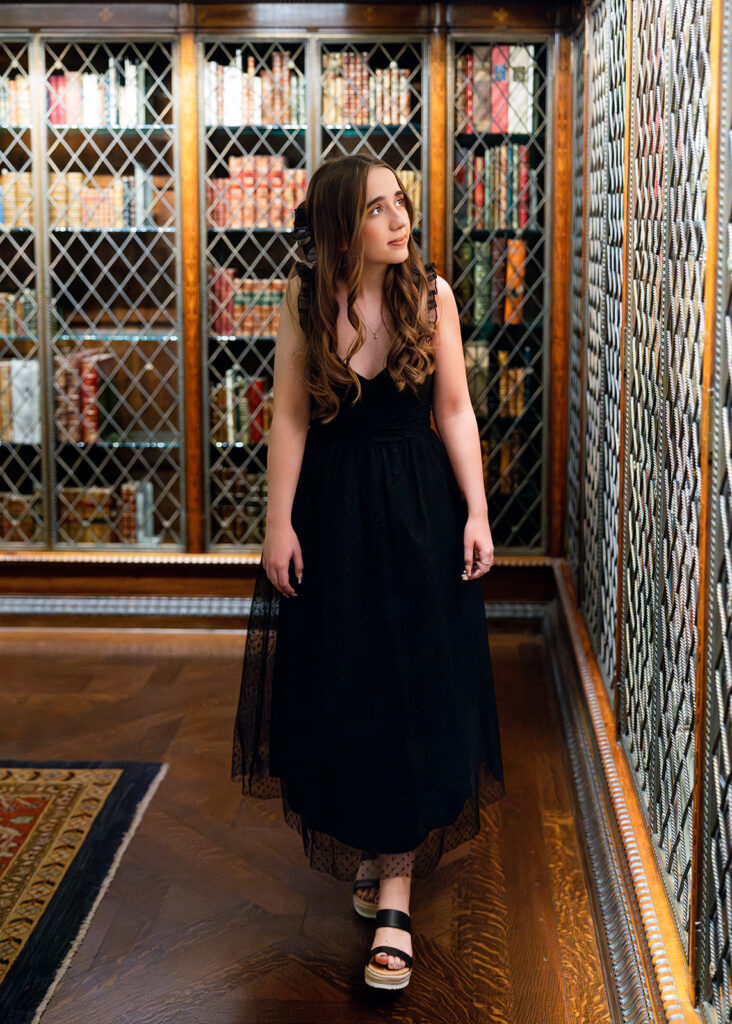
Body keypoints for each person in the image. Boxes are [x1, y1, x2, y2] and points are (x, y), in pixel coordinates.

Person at [232, 153, 505, 991]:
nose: (401, 220)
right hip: (334, 516)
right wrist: (277, 525)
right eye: (379, 208)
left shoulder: (434, 297)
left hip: (418, 512)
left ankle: (395, 897)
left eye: (403, 205)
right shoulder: (305, 301)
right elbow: (287, 421)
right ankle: (375, 844)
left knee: (413, 681)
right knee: (345, 682)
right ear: (341, 226)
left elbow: (454, 409)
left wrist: (477, 510)